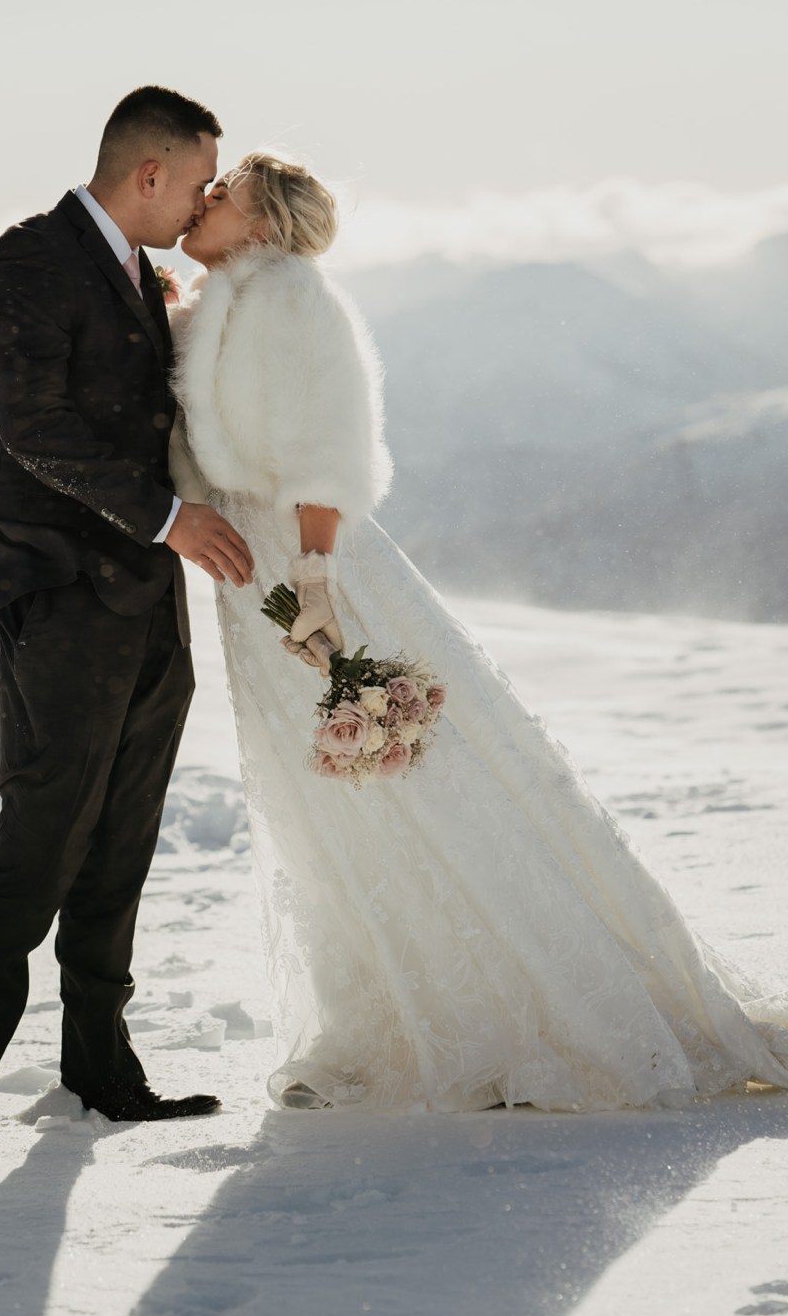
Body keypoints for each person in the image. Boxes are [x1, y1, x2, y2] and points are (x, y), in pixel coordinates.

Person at [171, 151, 788, 1112]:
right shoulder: (226, 300)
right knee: (329, 797)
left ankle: (516, 1010)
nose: (204, 203)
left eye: (224, 195)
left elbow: (328, 440)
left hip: (306, 566)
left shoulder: (292, 297)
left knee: (407, 772)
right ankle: (386, 1013)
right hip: (252, 574)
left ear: (261, 226)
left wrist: (318, 577)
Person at [0, 86, 254, 1142]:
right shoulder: (26, 263)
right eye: (198, 181)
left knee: (124, 839)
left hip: (151, 605)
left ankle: (102, 1074)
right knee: (42, 838)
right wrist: (168, 519)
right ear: (148, 175)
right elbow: (33, 429)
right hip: (55, 597)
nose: (202, 200)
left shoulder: (142, 275)